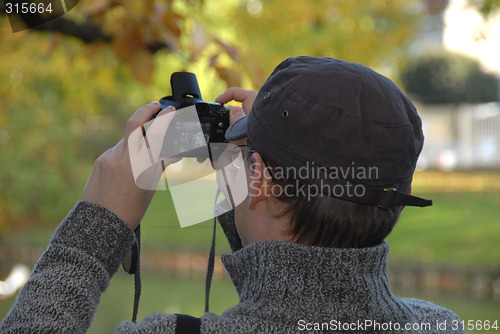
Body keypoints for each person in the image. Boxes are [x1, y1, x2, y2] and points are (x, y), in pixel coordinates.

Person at [0, 56, 464, 333]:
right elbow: (285, 306)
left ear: (259, 181)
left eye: (247, 161)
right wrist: (248, 169)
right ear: (401, 190)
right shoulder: (440, 324)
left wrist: (96, 225)